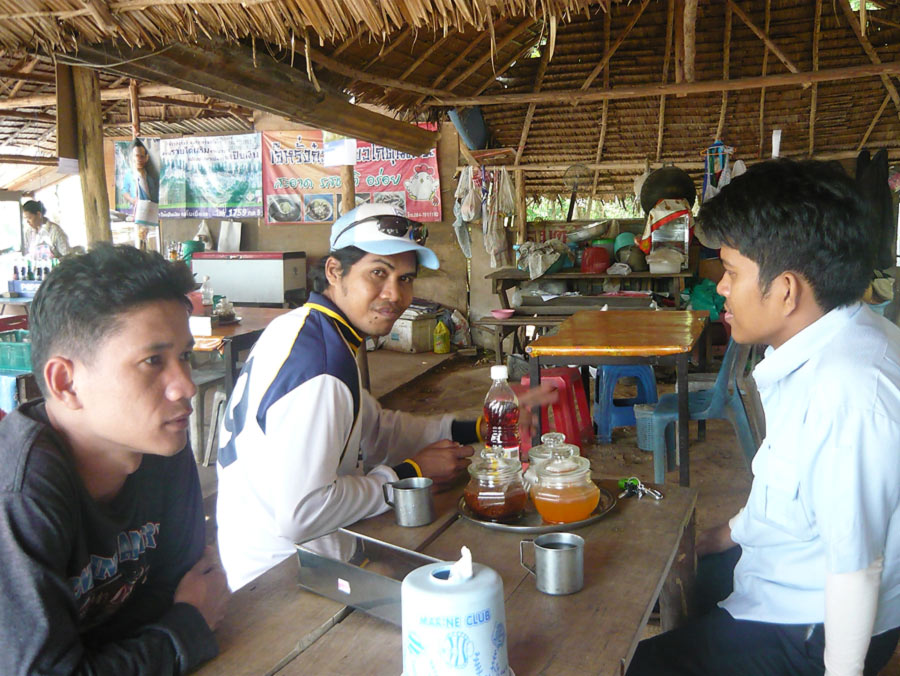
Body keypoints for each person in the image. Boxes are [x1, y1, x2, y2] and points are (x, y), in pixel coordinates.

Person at [627, 159, 900, 676]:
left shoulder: (848, 393)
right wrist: (719, 538)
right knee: (652, 580)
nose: (723, 288)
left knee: (636, 665)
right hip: (785, 575)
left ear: (787, 289)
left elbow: (856, 572)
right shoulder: (827, 338)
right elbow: (790, 489)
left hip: (815, 626)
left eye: (731, 272)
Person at [216, 203, 556, 590]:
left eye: (406, 278)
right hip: (283, 578)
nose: (394, 294)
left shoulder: (306, 329)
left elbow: (375, 429)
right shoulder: (322, 365)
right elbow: (302, 513)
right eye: (378, 273)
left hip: (280, 556)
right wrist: (406, 476)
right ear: (334, 271)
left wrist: (479, 427)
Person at [0, 243, 229, 673]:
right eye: (152, 361)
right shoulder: (18, 494)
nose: (185, 387)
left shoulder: (157, 441)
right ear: (66, 382)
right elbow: (190, 613)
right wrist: (184, 630)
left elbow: (184, 584)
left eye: (183, 356)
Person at [121, 139, 160, 208]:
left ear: (146, 158)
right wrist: (132, 200)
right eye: (136, 156)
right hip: (135, 210)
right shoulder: (129, 175)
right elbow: (124, 191)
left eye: (142, 156)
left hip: (148, 210)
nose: (139, 159)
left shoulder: (150, 177)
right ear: (132, 157)